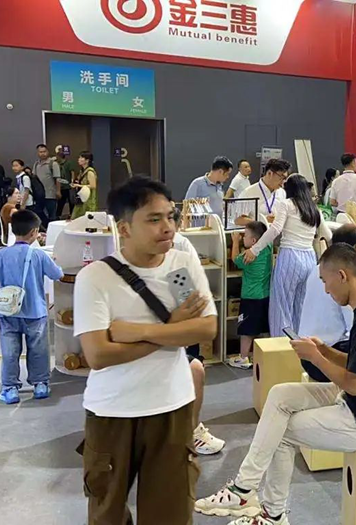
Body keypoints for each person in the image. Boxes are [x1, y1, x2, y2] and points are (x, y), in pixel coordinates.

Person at [196, 243, 356, 525]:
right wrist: (325, 351)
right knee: (280, 394)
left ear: (342, 276)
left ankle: (270, 512)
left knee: (281, 433)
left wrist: (315, 358)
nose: (326, 290)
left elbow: (354, 384)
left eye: (325, 281)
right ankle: (245, 489)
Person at [74, 176, 218, 524]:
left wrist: (136, 332)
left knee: (170, 513)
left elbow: (204, 329)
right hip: (112, 412)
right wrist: (172, 329)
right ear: (124, 228)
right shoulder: (97, 277)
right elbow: (99, 355)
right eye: (154, 219)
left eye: (170, 216)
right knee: (107, 512)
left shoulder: (179, 267)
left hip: (172, 407)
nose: (168, 227)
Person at [0, 210, 64, 404]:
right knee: (38, 351)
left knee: (10, 352)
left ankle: (10, 389)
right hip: (35, 312)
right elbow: (57, 275)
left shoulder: (2, 254)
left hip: (8, 312)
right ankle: (40, 385)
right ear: (34, 232)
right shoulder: (39, 255)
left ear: (13, 231)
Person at [243, 174, 330, 337]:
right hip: (310, 259)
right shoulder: (314, 209)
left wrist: (255, 249)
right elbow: (327, 234)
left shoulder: (286, 204)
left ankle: (281, 346)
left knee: (281, 307)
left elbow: (275, 229)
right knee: (301, 307)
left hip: (290, 256)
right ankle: (299, 346)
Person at [170, 207, 226, 455]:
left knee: (195, 369)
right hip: (145, 349)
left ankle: (190, 432)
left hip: (170, 341)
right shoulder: (117, 268)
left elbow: (191, 304)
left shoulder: (178, 256)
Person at [298, 224, 356, 381]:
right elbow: (355, 326)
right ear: (355, 249)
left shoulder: (318, 269)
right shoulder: (345, 280)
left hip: (307, 350)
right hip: (326, 353)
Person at [228, 221, 272, 370]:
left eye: (245, 235)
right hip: (265, 295)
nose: (243, 237)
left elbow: (235, 259)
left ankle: (243, 357)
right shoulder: (268, 247)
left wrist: (235, 241)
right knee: (263, 328)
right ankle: (266, 356)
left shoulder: (248, 256)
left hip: (250, 297)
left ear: (253, 241)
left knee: (246, 330)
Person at [236, 159, 290, 225]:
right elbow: (238, 220)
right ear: (270, 173)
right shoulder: (248, 193)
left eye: (285, 179)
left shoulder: (282, 193)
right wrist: (263, 221)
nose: (283, 181)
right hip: (257, 231)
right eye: (282, 177)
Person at [32, 144, 61, 226]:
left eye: (44, 151)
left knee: (52, 216)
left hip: (50, 194)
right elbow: (34, 178)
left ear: (47, 152)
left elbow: (57, 179)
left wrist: (58, 191)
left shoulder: (53, 164)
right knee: (40, 216)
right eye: (40, 152)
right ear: (37, 153)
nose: (43, 154)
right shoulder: (36, 164)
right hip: (39, 195)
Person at [70, 151, 97, 220]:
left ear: (87, 160)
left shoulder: (90, 172)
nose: (79, 159)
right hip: (81, 198)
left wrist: (78, 185)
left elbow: (93, 185)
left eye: (81, 158)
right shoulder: (82, 171)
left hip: (88, 200)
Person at [55, 145, 77, 219]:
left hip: (68, 186)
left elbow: (72, 173)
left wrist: (72, 182)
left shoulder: (69, 163)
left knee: (71, 202)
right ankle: (58, 215)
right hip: (61, 186)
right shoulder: (56, 164)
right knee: (61, 202)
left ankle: (72, 215)